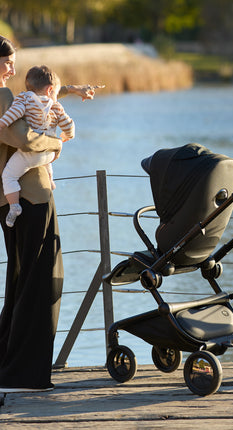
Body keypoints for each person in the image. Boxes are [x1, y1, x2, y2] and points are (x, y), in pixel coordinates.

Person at [0, 35, 102, 393]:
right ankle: (24, 374)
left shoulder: (13, 96)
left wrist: (69, 89)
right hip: (31, 195)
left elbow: (36, 100)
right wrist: (58, 143)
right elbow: (26, 138)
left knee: (21, 281)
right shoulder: (3, 97)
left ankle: (10, 366)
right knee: (41, 279)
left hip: (17, 195)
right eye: (7, 61)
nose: (12, 68)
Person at [0, 65, 75, 227]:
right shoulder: (56, 106)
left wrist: (1, 123)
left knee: (9, 176)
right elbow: (68, 125)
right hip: (49, 153)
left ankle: (14, 207)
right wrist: (67, 136)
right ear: (50, 90)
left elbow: (14, 113)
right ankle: (50, 179)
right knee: (46, 161)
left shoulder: (24, 99)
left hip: (32, 154)